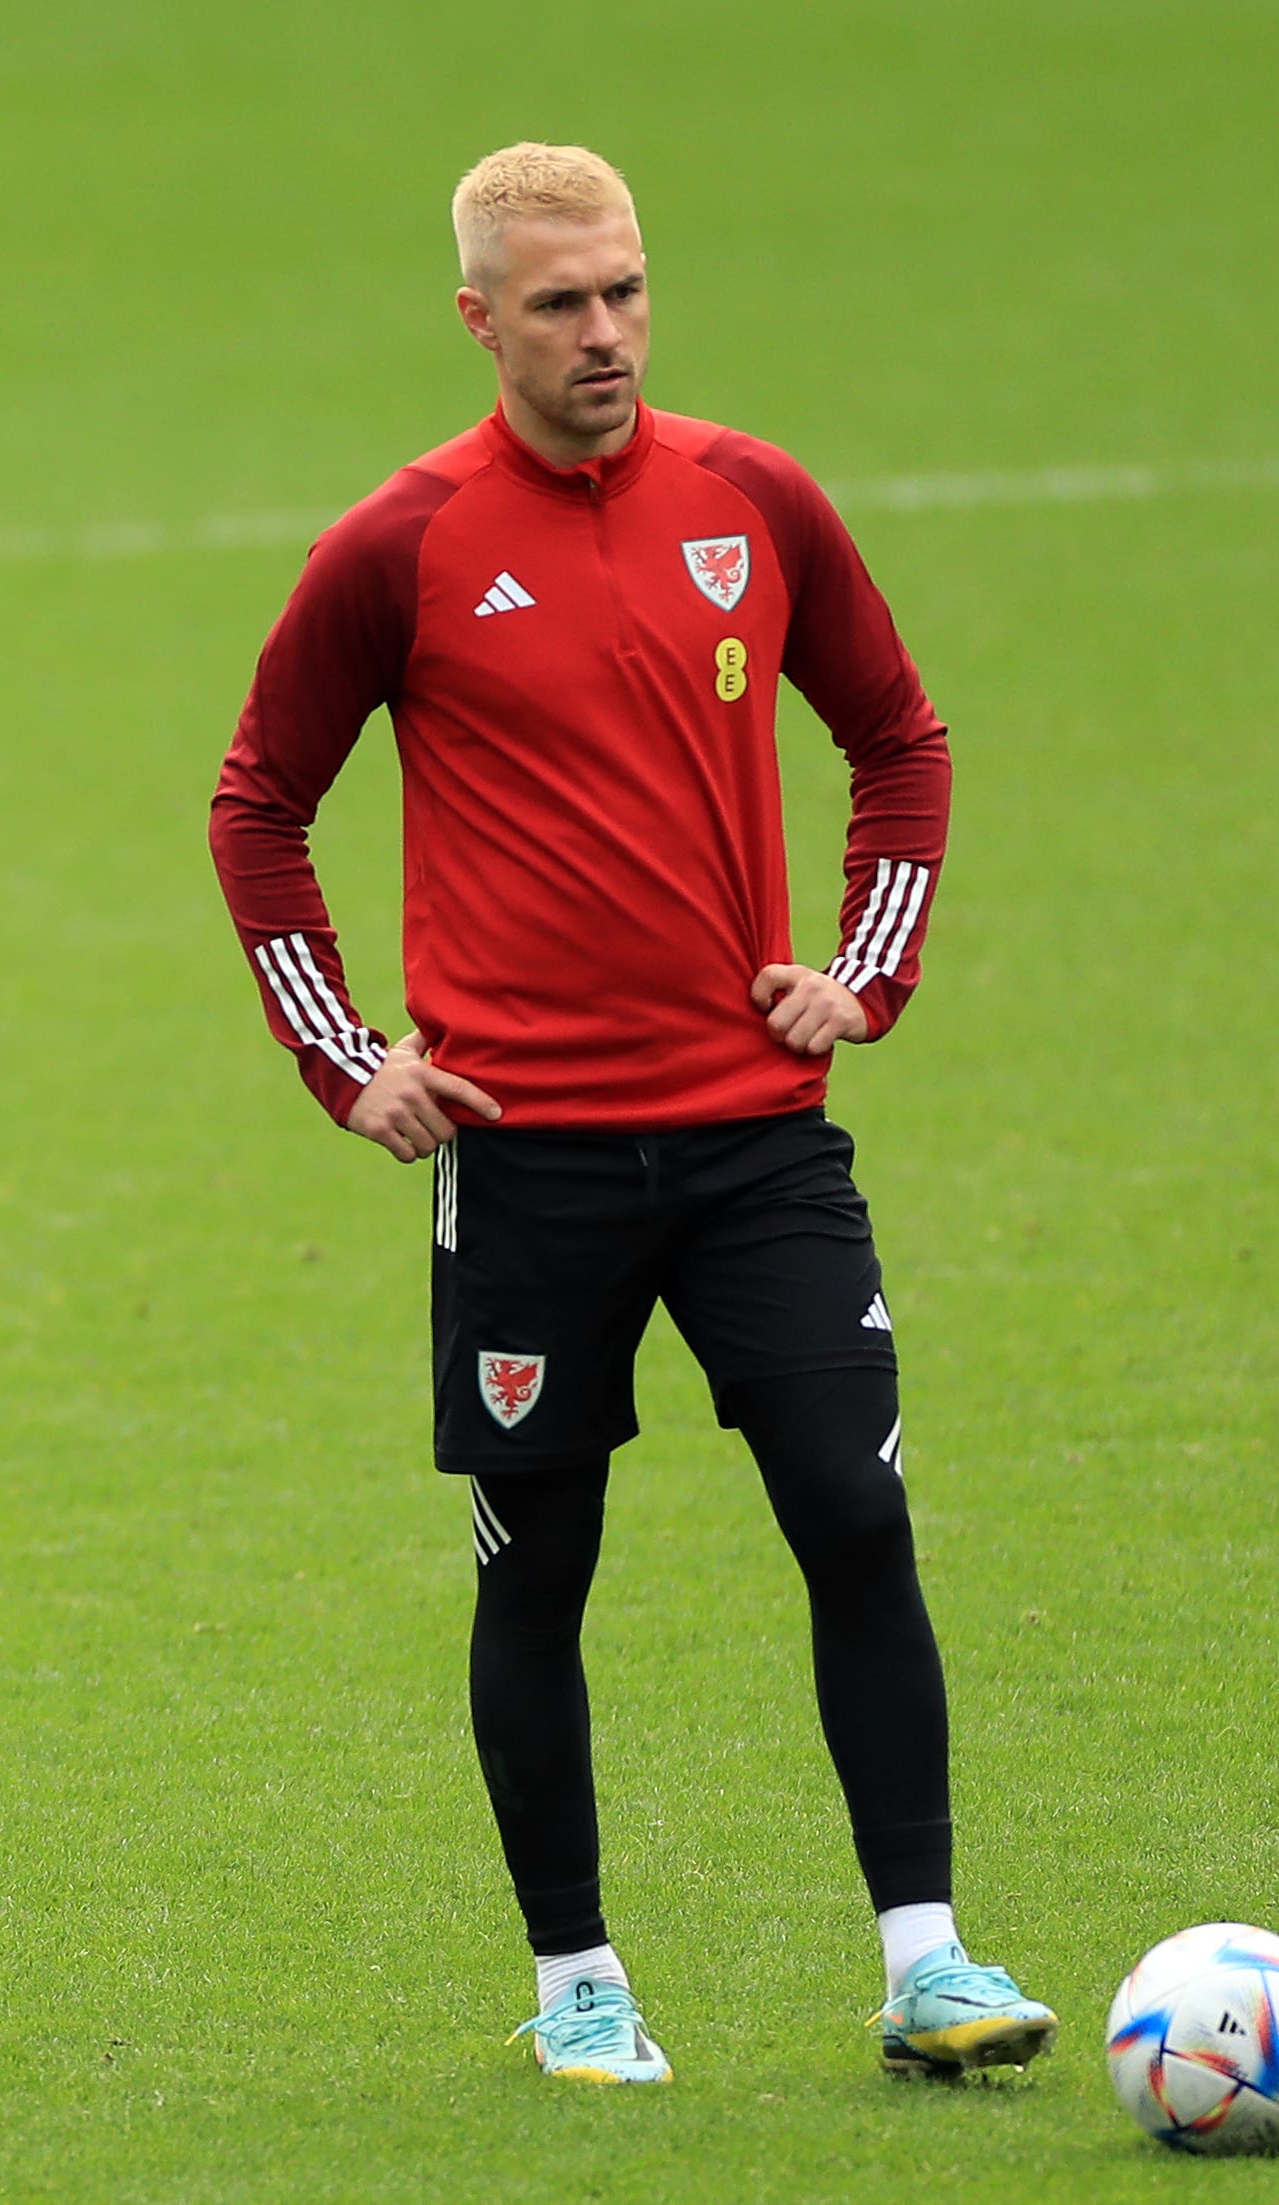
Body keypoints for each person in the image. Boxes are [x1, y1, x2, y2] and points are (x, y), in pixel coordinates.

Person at [207, 143, 1052, 2085]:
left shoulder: (750, 500)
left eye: (628, 292)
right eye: (563, 301)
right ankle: (578, 1976)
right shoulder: (399, 545)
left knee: (854, 1507)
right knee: (541, 1561)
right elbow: (257, 799)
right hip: (526, 1164)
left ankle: (925, 1956)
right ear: (480, 316)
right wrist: (352, 1059)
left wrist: (868, 967)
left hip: (759, 1138)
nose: (605, 332)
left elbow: (897, 735)